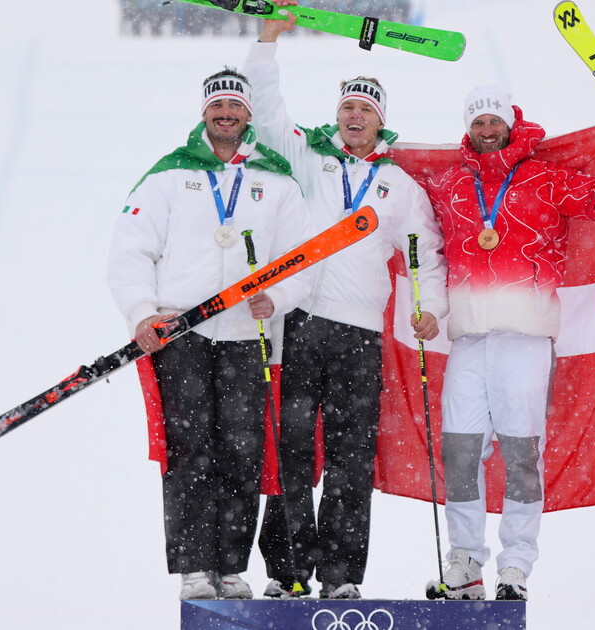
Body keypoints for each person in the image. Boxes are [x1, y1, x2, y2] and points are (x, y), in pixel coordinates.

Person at [422, 85, 595, 601]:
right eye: (477, 123)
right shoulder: (450, 185)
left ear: (510, 124)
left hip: (526, 339)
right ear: (467, 129)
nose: (486, 130)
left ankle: (515, 565)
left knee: (520, 453)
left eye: (494, 121)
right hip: (468, 340)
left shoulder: (542, 178)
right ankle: (465, 562)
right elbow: (410, 215)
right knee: (460, 453)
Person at [241, 1, 447, 600]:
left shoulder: (398, 185)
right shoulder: (310, 159)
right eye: (348, 108)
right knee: (291, 450)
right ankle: (287, 573)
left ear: (381, 122)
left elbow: (426, 253)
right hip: (302, 324)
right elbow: (268, 114)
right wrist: (267, 41)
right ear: (337, 117)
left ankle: (340, 578)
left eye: (366, 110)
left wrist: (431, 307)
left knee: (351, 459)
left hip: (360, 335)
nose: (355, 117)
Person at [106, 68, 313, 601]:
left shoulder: (277, 180)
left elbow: (303, 260)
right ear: (204, 112)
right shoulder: (169, 174)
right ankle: (195, 568)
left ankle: (230, 567)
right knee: (190, 449)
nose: (226, 113)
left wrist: (279, 298)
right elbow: (130, 250)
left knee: (242, 451)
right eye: (217, 105)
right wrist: (142, 313)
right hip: (183, 334)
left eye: (235, 105)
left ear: (248, 114)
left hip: (248, 334)